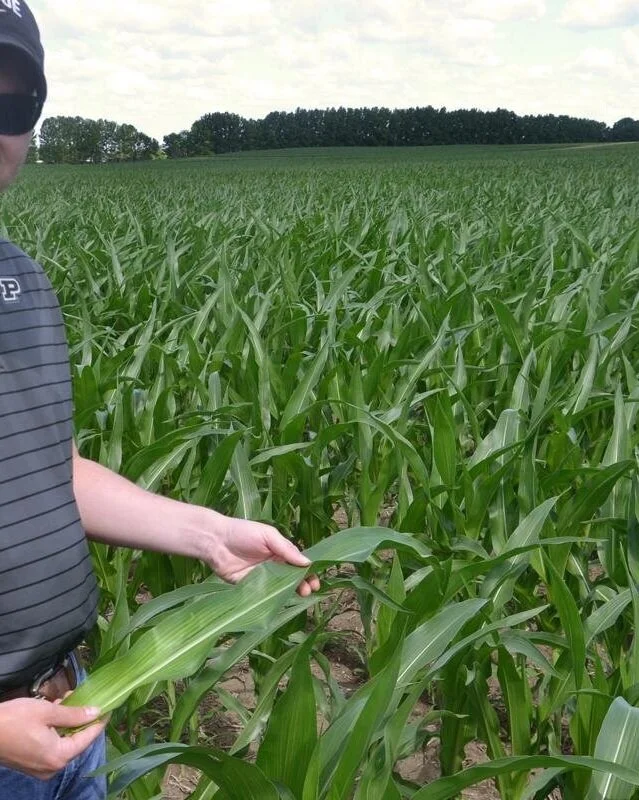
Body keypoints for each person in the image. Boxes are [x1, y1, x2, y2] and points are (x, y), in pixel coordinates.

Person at [0, 3, 320, 797]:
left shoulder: (22, 283)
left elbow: (48, 471)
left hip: (68, 709)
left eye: (12, 103)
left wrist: (207, 533)